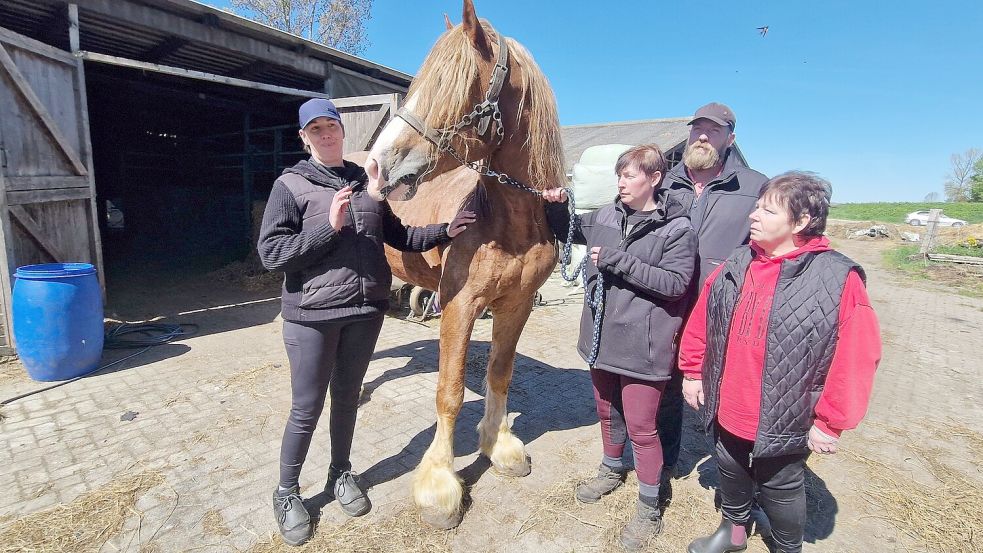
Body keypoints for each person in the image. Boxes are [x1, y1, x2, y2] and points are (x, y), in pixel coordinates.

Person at [257, 98, 476, 546]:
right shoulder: (290, 185)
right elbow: (272, 254)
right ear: (304, 138)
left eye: (331, 126)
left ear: (342, 131)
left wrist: (446, 230)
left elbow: (400, 236)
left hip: (364, 313)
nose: (326, 135)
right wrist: (328, 226)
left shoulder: (366, 182)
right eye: (315, 130)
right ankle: (286, 492)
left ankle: (340, 472)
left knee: (346, 399)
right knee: (306, 408)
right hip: (313, 317)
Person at [679, 172, 881, 553]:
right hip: (729, 401)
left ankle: (788, 548)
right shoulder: (738, 262)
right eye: (756, 207)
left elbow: (856, 358)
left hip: (786, 412)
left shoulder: (838, 277)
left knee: (781, 487)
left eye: (767, 211)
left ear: (801, 221)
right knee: (730, 466)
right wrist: (692, 371)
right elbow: (704, 316)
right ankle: (734, 531)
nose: (753, 215)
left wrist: (831, 422)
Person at [543, 144, 698, 551]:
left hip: (643, 345)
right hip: (601, 338)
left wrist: (618, 261)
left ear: (655, 178)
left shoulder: (676, 229)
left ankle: (648, 507)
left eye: (630, 175)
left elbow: (675, 284)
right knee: (607, 412)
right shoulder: (606, 216)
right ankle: (611, 470)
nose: (621, 183)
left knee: (643, 428)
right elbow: (569, 230)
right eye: (619, 175)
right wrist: (556, 207)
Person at [657, 102, 769, 506]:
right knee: (666, 385)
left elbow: (768, 246)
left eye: (714, 130)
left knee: (723, 390)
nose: (702, 136)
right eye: (697, 129)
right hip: (667, 302)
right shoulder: (666, 182)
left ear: (730, 139)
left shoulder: (755, 186)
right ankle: (666, 462)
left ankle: (735, 481)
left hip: (723, 307)